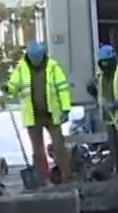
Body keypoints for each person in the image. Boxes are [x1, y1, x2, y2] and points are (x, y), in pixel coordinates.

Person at [5, 41, 73, 184]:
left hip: (52, 114)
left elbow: (63, 89)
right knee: (38, 150)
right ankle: (42, 178)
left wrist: (65, 108)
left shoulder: (53, 67)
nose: (36, 61)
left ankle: (66, 176)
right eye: (34, 58)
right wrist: (8, 89)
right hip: (33, 116)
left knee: (59, 147)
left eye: (38, 57)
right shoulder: (21, 68)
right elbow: (13, 85)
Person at [85, 44, 118, 176]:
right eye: (102, 63)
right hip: (110, 119)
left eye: (106, 63)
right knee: (114, 150)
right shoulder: (101, 76)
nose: (104, 66)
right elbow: (94, 89)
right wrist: (92, 90)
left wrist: (116, 105)